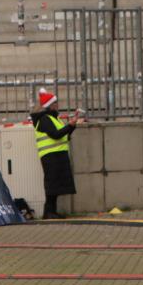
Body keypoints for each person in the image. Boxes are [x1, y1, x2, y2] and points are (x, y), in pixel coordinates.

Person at [31, 89, 83, 219]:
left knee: (56, 184)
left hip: (57, 154)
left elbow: (64, 136)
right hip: (50, 156)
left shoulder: (55, 118)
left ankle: (51, 211)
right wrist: (69, 125)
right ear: (50, 105)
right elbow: (55, 135)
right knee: (52, 184)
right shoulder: (45, 119)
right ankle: (48, 212)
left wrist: (72, 126)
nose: (57, 104)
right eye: (55, 103)